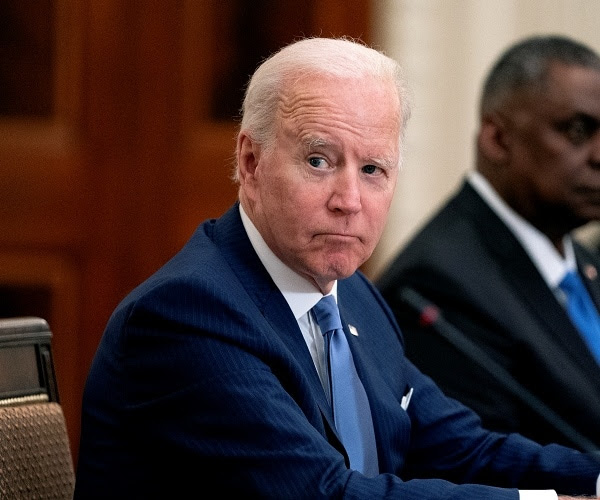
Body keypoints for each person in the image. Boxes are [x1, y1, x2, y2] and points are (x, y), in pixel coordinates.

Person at [74, 36, 600, 499]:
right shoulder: (188, 315)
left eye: (373, 169)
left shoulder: (355, 299)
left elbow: (458, 446)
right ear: (250, 162)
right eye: (319, 161)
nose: (349, 200)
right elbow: (323, 492)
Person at [377, 34, 600, 453]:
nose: (599, 155)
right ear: (498, 140)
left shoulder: (585, 261)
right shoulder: (438, 284)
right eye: (577, 130)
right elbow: (483, 466)